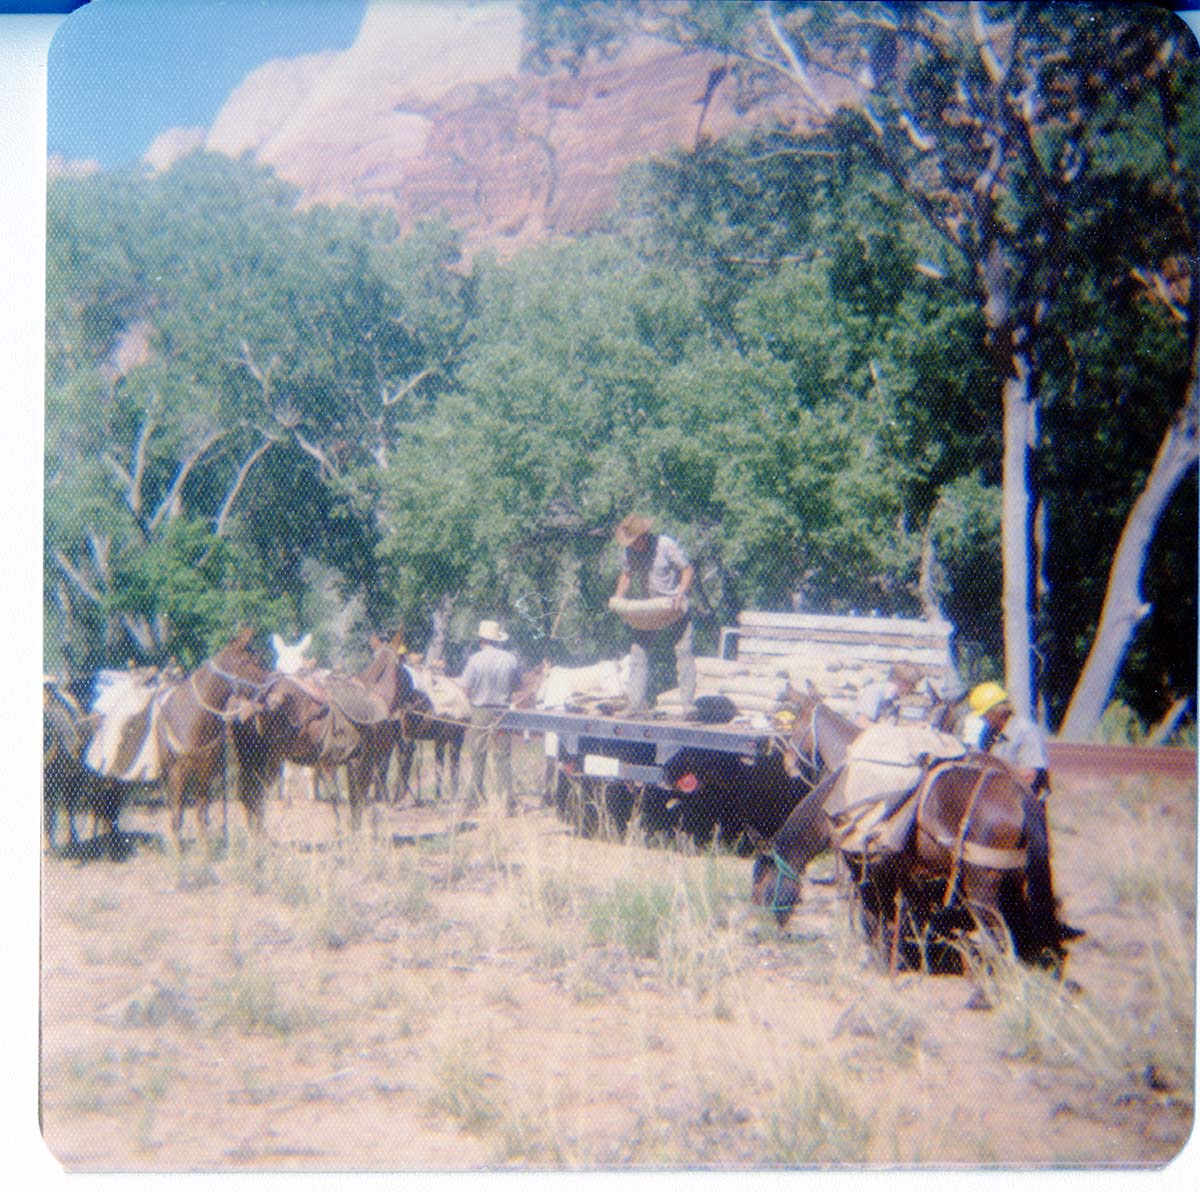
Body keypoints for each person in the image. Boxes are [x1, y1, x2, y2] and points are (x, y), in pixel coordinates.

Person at [965, 682, 1084, 942]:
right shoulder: (989, 733)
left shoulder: (1026, 732)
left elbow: (1030, 775)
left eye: (986, 714)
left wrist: (994, 776)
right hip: (995, 808)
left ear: (999, 711)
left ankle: (1045, 932)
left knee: (1036, 867)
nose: (985, 720)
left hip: (1028, 809)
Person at [612, 514, 696, 716]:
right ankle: (634, 706)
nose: (633, 546)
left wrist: (680, 593)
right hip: (651, 609)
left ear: (645, 536)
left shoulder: (665, 545)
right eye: (630, 542)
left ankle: (688, 707)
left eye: (636, 541)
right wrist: (618, 600)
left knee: (683, 652)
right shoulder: (629, 552)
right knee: (638, 653)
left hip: (674, 607)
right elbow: (626, 576)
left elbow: (687, 570)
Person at [457, 620, 522, 814]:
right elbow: (517, 685)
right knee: (503, 757)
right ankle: (508, 802)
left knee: (478, 755)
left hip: (480, 711)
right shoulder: (510, 659)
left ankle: (473, 800)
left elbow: (465, 688)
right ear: (498, 640)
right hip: (502, 712)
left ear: (481, 640)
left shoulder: (475, 660)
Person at [853, 661, 924, 726]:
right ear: (903, 683)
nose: (913, 690)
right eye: (913, 685)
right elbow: (861, 722)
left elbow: (890, 726)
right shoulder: (874, 692)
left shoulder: (893, 699)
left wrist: (913, 726)